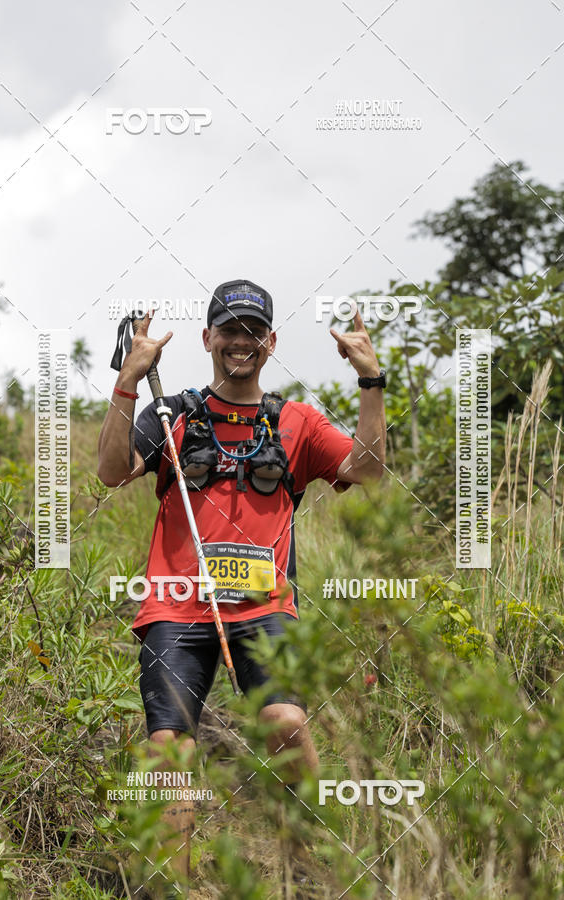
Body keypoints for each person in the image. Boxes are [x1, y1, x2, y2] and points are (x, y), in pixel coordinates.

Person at [97, 279, 386, 895]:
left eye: (253, 332)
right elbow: (111, 471)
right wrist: (128, 381)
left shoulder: (297, 421)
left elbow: (368, 470)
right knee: (168, 750)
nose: (240, 343)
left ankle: (310, 874)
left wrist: (370, 383)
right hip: (176, 607)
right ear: (207, 338)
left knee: (285, 719)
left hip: (263, 605)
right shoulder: (170, 412)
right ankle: (166, 887)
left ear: (271, 342)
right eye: (229, 330)